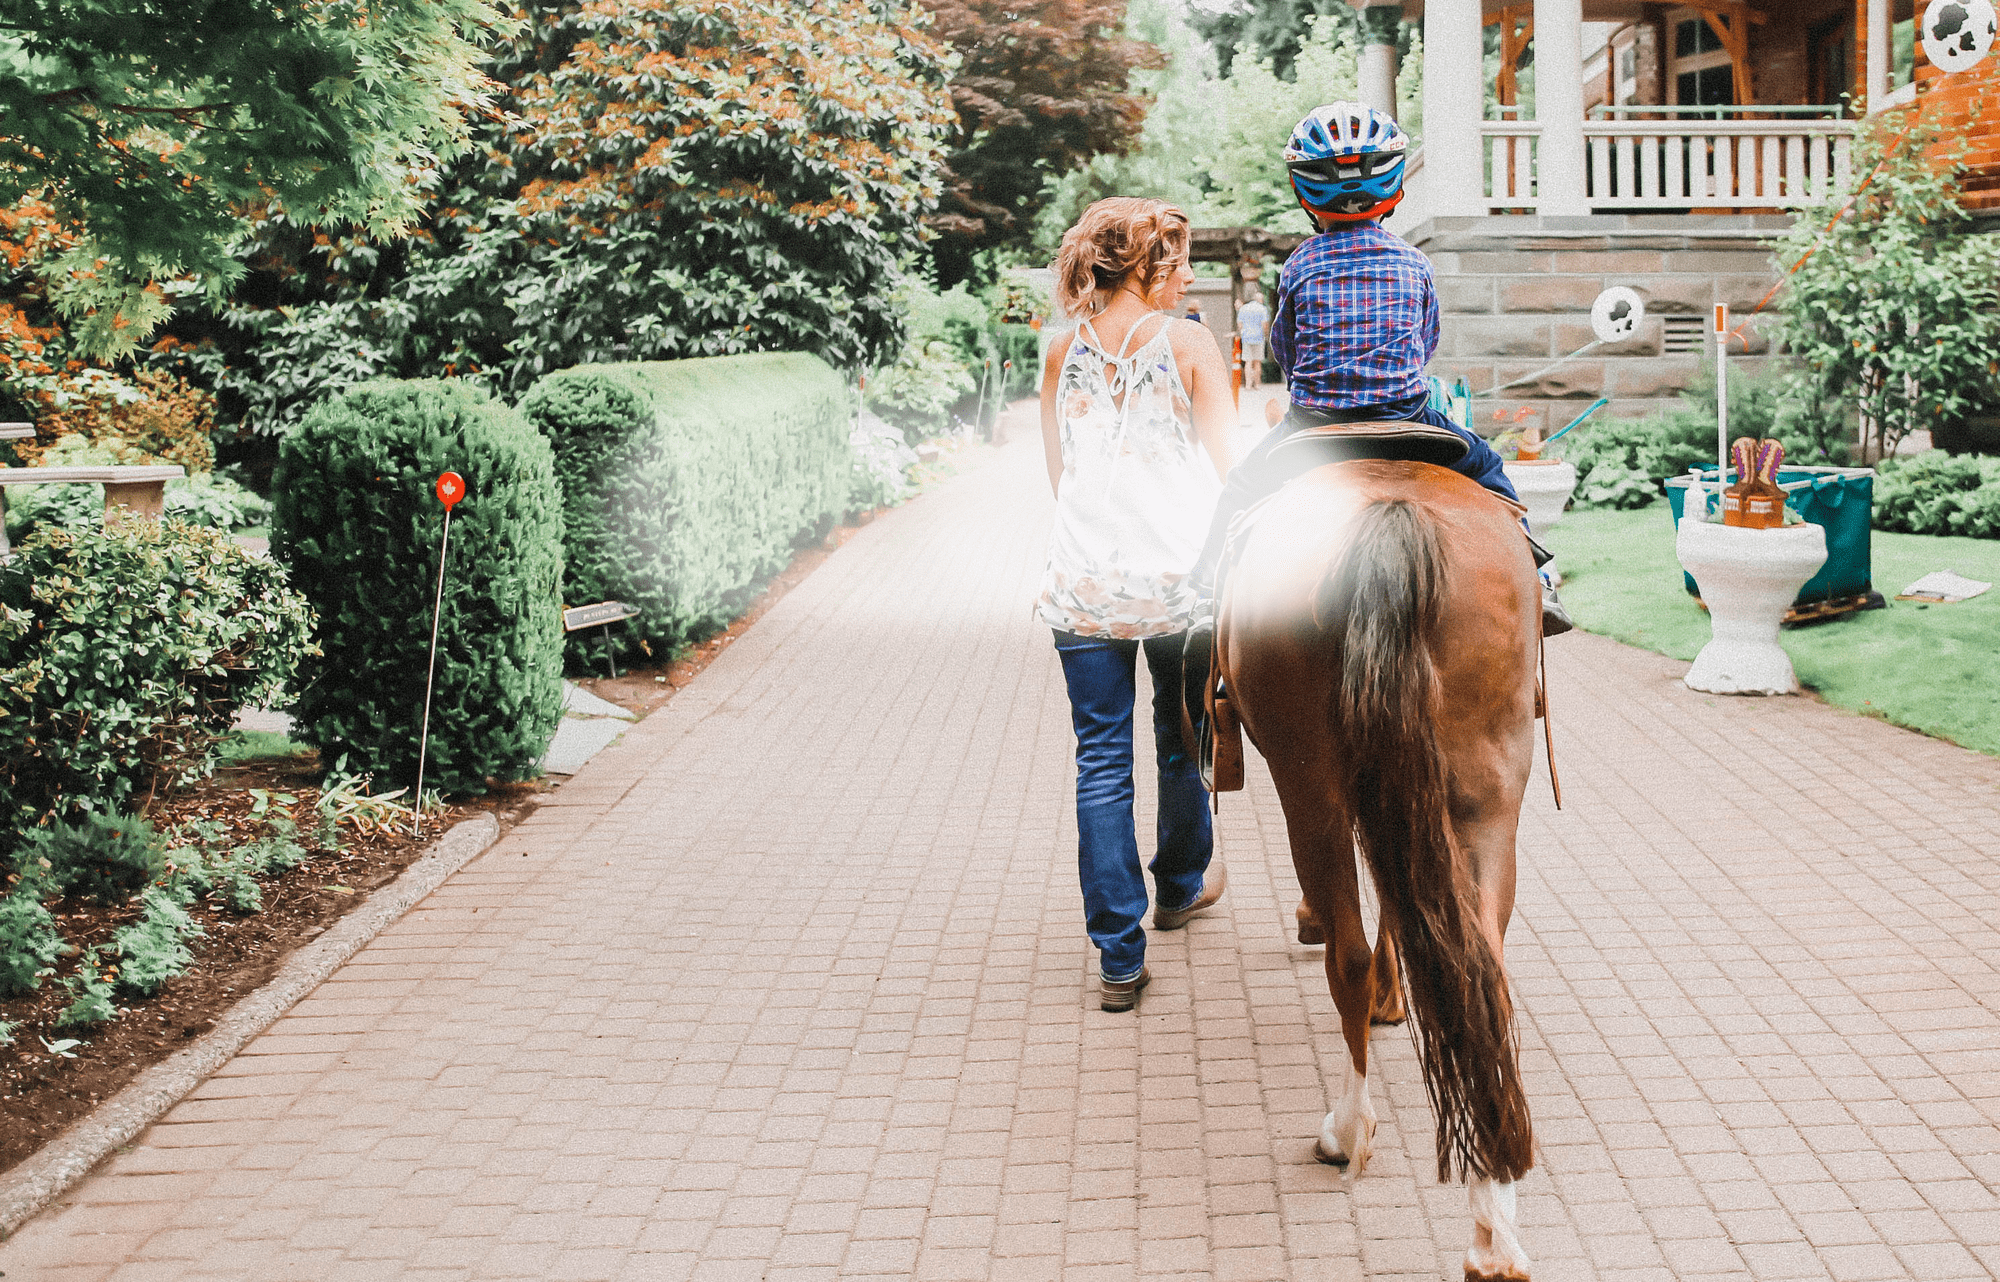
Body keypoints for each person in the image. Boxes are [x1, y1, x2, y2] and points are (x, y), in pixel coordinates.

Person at [1185, 103, 1572, 655]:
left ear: (1304, 190)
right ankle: (1540, 581)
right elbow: (1427, 341)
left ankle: (1206, 595)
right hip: (1408, 417)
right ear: (1392, 189)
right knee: (1489, 469)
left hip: (1315, 426)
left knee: (1243, 486)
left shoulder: (1297, 264)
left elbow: (1285, 352)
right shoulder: (1414, 262)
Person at [1037, 197, 1236, 1013]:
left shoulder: (1060, 351)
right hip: (1179, 583)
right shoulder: (1189, 343)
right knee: (1181, 738)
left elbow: (1060, 477)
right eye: (1179, 261)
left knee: (1100, 760)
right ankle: (1181, 885)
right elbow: (1230, 469)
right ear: (1150, 265)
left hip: (1084, 582)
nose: (1188, 276)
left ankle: (1119, 955)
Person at [1236, 290, 1270, 390]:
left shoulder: (1244, 308)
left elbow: (1239, 324)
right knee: (1257, 362)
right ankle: (1257, 384)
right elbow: (1264, 325)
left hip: (1246, 337)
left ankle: (1248, 384)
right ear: (1260, 300)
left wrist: (1243, 332)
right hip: (1258, 337)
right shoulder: (1262, 309)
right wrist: (1266, 334)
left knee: (1248, 361)